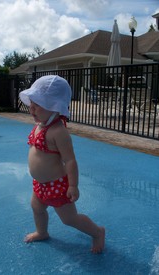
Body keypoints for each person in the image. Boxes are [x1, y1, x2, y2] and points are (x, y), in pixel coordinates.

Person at [19, 75, 105, 253]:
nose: (32, 108)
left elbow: (70, 160)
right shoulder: (39, 125)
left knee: (69, 219)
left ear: (55, 106)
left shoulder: (59, 132)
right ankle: (42, 232)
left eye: (38, 104)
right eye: (31, 103)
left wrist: (73, 185)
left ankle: (97, 232)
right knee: (37, 207)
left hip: (56, 185)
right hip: (40, 184)